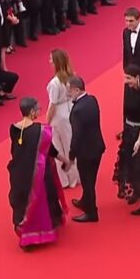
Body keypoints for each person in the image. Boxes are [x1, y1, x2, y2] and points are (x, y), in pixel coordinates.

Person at [8, 97, 71, 250]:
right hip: (38, 175)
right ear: (31, 112)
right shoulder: (41, 131)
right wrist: (64, 159)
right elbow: (50, 150)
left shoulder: (15, 129)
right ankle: (41, 233)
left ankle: (25, 233)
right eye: (38, 109)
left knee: (24, 203)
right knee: (40, 203)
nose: (39, 111)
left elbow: (14, 151)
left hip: (20, 173)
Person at [113, 64, 140, 215]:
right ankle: (136, 192)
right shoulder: (129, 90)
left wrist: (138, 140)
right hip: (129, 130)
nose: (126, 81)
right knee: (128, 163)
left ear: (137, 77)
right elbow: (125, 111)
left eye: (128, 78)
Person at [68, 75, 106, 223]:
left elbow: (76, 136)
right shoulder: (92, 100)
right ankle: (85, 201)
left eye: (69, 91)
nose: (68, 94)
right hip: (97, 147)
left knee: (87, 182)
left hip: (86, 153)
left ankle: (91, 212)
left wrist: (71, 156)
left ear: (77, 90)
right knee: (91, 179)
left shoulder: (77, 110)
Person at [46, 49, 79, 188]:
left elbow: (52, 105)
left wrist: (47, 121)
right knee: (70, 145)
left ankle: (64, 180)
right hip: (70, 110)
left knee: (58, 146)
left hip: (59, 114)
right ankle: (74, 178)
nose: (49, 62)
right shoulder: (72, 77)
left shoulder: (54, 83)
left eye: (51, 60)